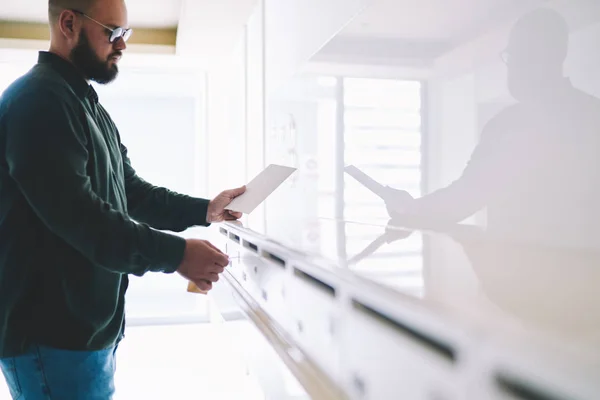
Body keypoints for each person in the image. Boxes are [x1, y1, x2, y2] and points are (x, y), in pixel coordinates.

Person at [0, 0, 245, 398]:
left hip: (84, 334)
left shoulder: (84, 104)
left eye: (125, 34)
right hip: (50, 337)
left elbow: (130, 192)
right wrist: (177, 254)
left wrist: (205, 210)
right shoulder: (39, 101)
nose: (123, 45)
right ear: (68, 23)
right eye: (113, 33)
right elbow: (85, 220)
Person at [386, 8, 600, 246]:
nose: (515, 67)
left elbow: (466, 196)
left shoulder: (590, 120)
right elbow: (467, 194)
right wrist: (412, 209)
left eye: (526, 56)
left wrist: (413, 210)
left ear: (556, 56)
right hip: (516, 278)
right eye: (512, 55)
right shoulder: (503, 126)